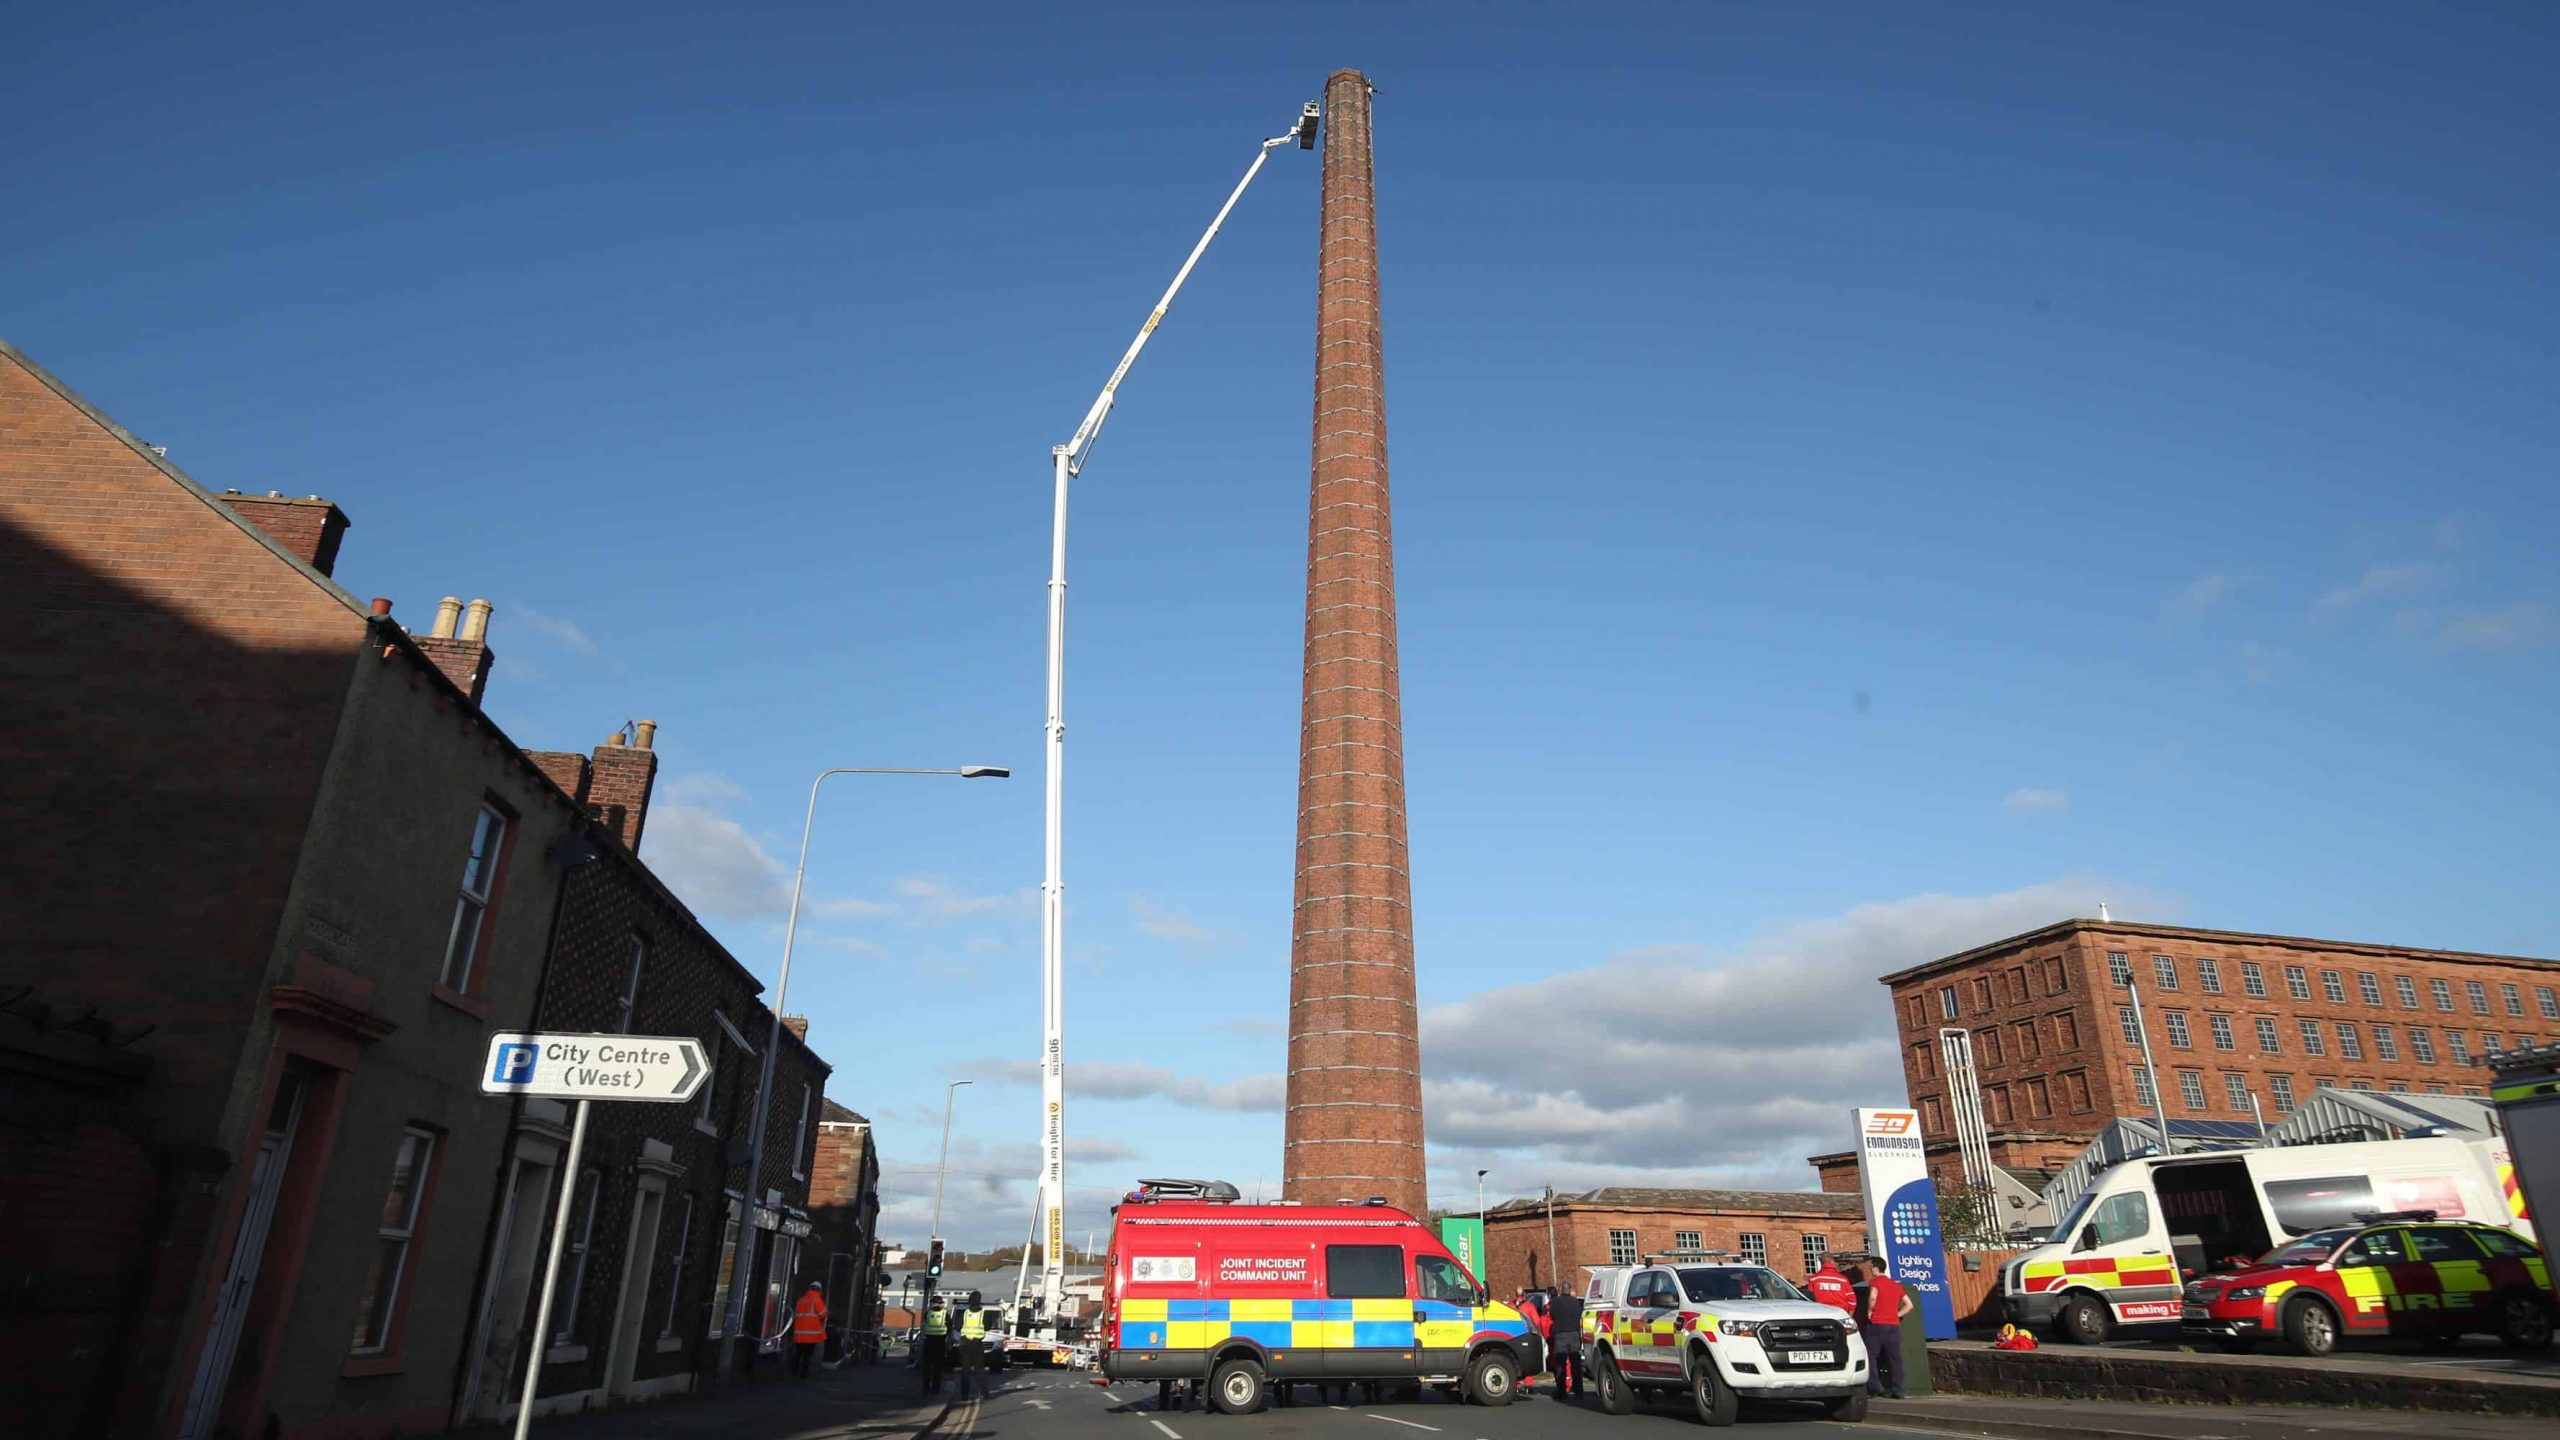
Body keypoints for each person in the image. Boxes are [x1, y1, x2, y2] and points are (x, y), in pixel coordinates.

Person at [1851, 1260, 1914, 1400]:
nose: (1870, 1270)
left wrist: (1869, 1311)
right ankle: (1899, 1390)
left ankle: (1874, 1387)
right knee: (1895, 1358)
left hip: (1878, 1323)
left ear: (1876, 1268)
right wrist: (1897, 1314)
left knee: (1870, 1355)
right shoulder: (1894, 1284)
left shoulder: (1875, 1282)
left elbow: (1873, 1296)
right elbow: (1909, 1305)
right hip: (1893, 1325)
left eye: (1871, 1267)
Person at [1545, 1284, 1585, 1400]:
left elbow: (1552, 1316)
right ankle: (1578, 1391)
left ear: (1562, 1290)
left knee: (1560, 1365)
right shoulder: (1575, 1302)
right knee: (1576, 1364)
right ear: (1570, 1290)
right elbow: (1579, 1316)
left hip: (1560, 1334)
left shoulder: (1556, 1302)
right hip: (1574, 1334)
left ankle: (1561, 1391)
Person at [791, 1282, 828, 1379]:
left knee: (798, 1354)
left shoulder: (801, 1300)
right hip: (811, 1335)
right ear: (819, 1289)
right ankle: (803, 1374)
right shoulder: (817, 1300)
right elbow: (823, 1314)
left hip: (799, 1334)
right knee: (807, 1356)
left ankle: (793, 1372)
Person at [956, 1304, 989, 1398]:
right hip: (977, 1344)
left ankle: (964, 1395)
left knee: (965, 1370)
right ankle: (984, 1394)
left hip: (966, 1344)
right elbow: (988, 1327)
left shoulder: (965, 1313)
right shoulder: (983, 1313)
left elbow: (957, 1327)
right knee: (980, 1370)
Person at [919, 1301, 948, 1393]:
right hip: (938, 1342)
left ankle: (927, 1387)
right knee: (936, 1367)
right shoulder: (944, 1314)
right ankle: (934, 1387)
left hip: (930, 1341)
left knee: (929, 1367)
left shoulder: (928, 1313)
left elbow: (923, 1325)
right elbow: (949, 1328)